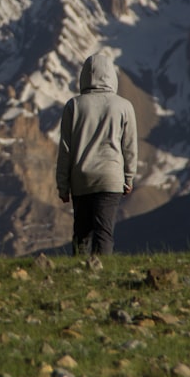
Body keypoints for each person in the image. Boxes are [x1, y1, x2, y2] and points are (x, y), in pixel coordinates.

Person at [56, 53, 138, 256]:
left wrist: (63, 185)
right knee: (104, 232)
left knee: (81, 233)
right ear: (111, 76)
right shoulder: (124, 106)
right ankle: (102, 278)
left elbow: (65, 149)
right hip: (111, 178)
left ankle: (78, 276)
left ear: (83, 76)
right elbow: (129, 147)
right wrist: (128, 178)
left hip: (81, 178)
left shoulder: (73, 106)